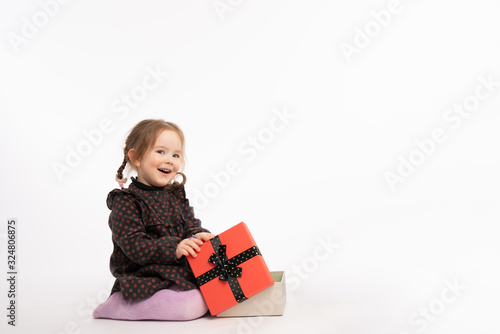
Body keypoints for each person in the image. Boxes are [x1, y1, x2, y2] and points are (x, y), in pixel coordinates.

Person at [93, 119, 214, 321]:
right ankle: (121, 304)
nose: (169, 160)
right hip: (143, 274)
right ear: (137, 157)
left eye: (176, 155)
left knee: (211, 289)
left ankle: (179, 299)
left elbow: (188, 224)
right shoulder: (126, 201)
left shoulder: (175, 193)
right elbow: (134, 245)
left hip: (173, 270)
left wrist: (197, 234)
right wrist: (174, 248)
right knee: (191, 305)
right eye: (160, 152)